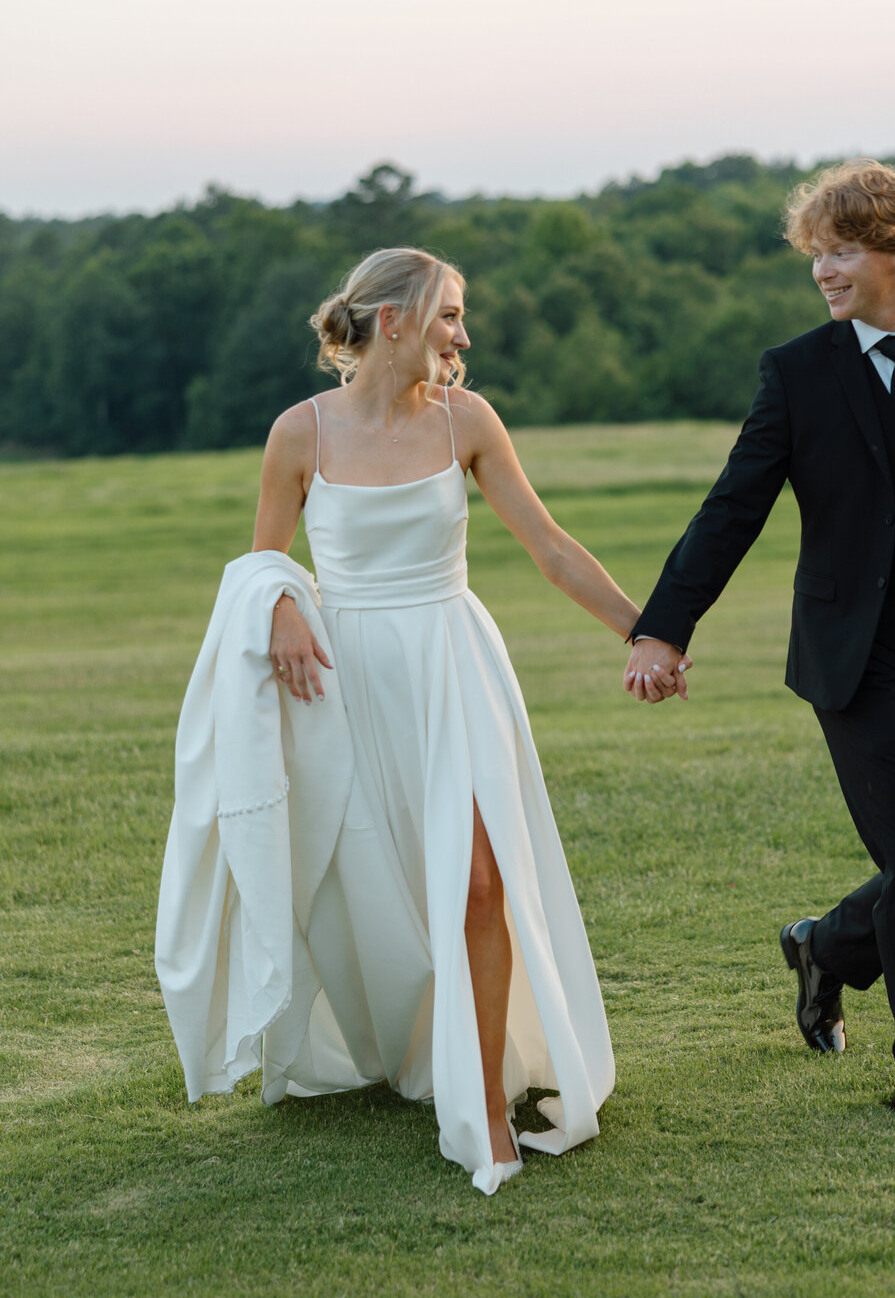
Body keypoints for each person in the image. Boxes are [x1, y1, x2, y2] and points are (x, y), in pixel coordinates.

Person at [156, 247, 683, 1193]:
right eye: (448, 315)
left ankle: (481, 1101)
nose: (463, 335)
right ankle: (392, 1041)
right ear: (391, 320)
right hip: (349, 678)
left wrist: (650, 634)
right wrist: (279, 606)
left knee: (482, 880)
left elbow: (550, 547)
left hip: (454, 665)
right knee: (374, 880)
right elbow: (261, 562)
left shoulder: (466, 421)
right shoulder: (299, 434)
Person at [624, 159, 895, 1135]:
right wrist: (663, 627)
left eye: (842, 252)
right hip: (851, 658)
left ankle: (824, 947)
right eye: (815, 255)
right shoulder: (798, 373)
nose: (824, 271)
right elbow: (732, 508)